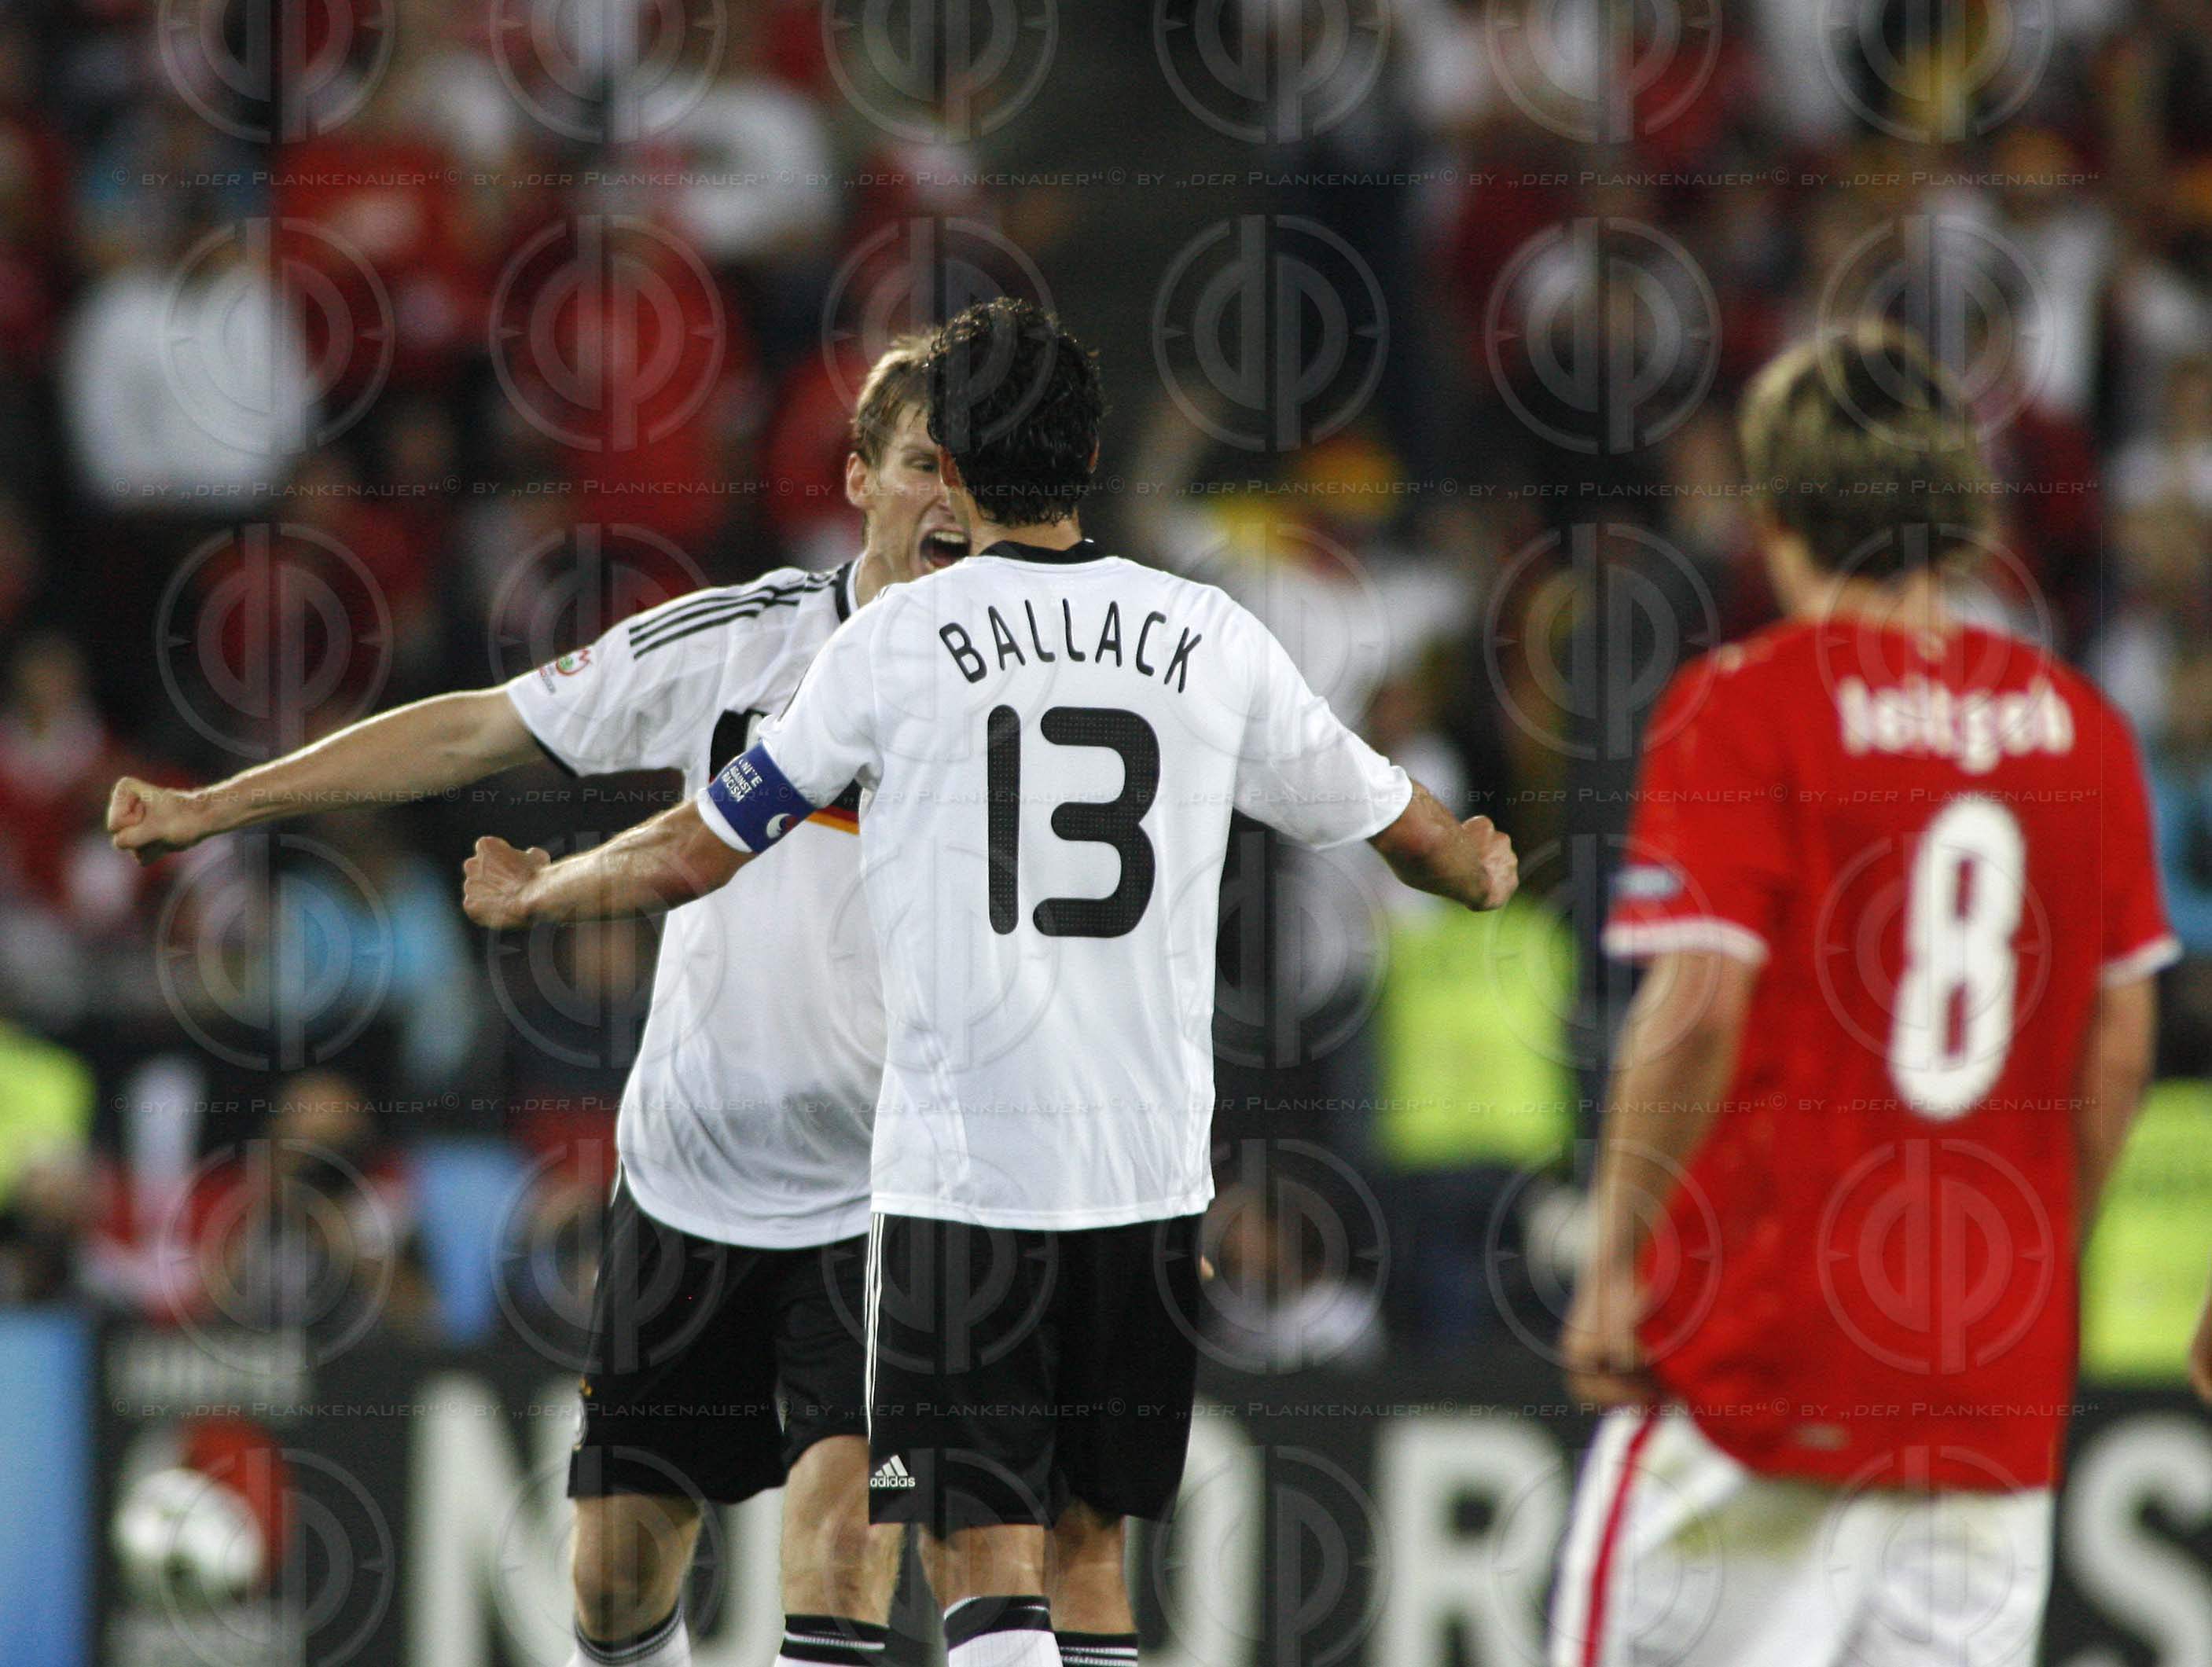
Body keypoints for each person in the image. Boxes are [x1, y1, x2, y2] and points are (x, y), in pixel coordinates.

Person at [457, 297, 1518, 1667]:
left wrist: (541, 887)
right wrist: (1483, 865)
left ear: (949, 468)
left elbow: (694, 851)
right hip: (1145, 1178)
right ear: (1084, 465)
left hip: (961, 1181)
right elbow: (1419, 841)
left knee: (978, 1559)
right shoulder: (1209, 633)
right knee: (1091, 1561)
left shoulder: (895, 645)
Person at [105, 339, 965, 1667]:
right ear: (858, 479)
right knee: (615, 1586)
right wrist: (221, 804)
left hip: (888, 1197)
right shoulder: (741, 643)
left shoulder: (1019, 697)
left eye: (970, 471)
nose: (947, 499)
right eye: (920, 464)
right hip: (692, 1184)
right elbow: (474, 728)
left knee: (840, 1560)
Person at [1554, 321, 2175, 1667]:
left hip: (1760, 1362)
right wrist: (2037, 1255)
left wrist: (1611, 1261)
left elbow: (1699, 1000)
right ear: (1960, 513)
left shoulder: (1743, 707)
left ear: (1772, 513)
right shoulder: (2081, 726)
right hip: (1986, 1394)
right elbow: (2123, 1030)